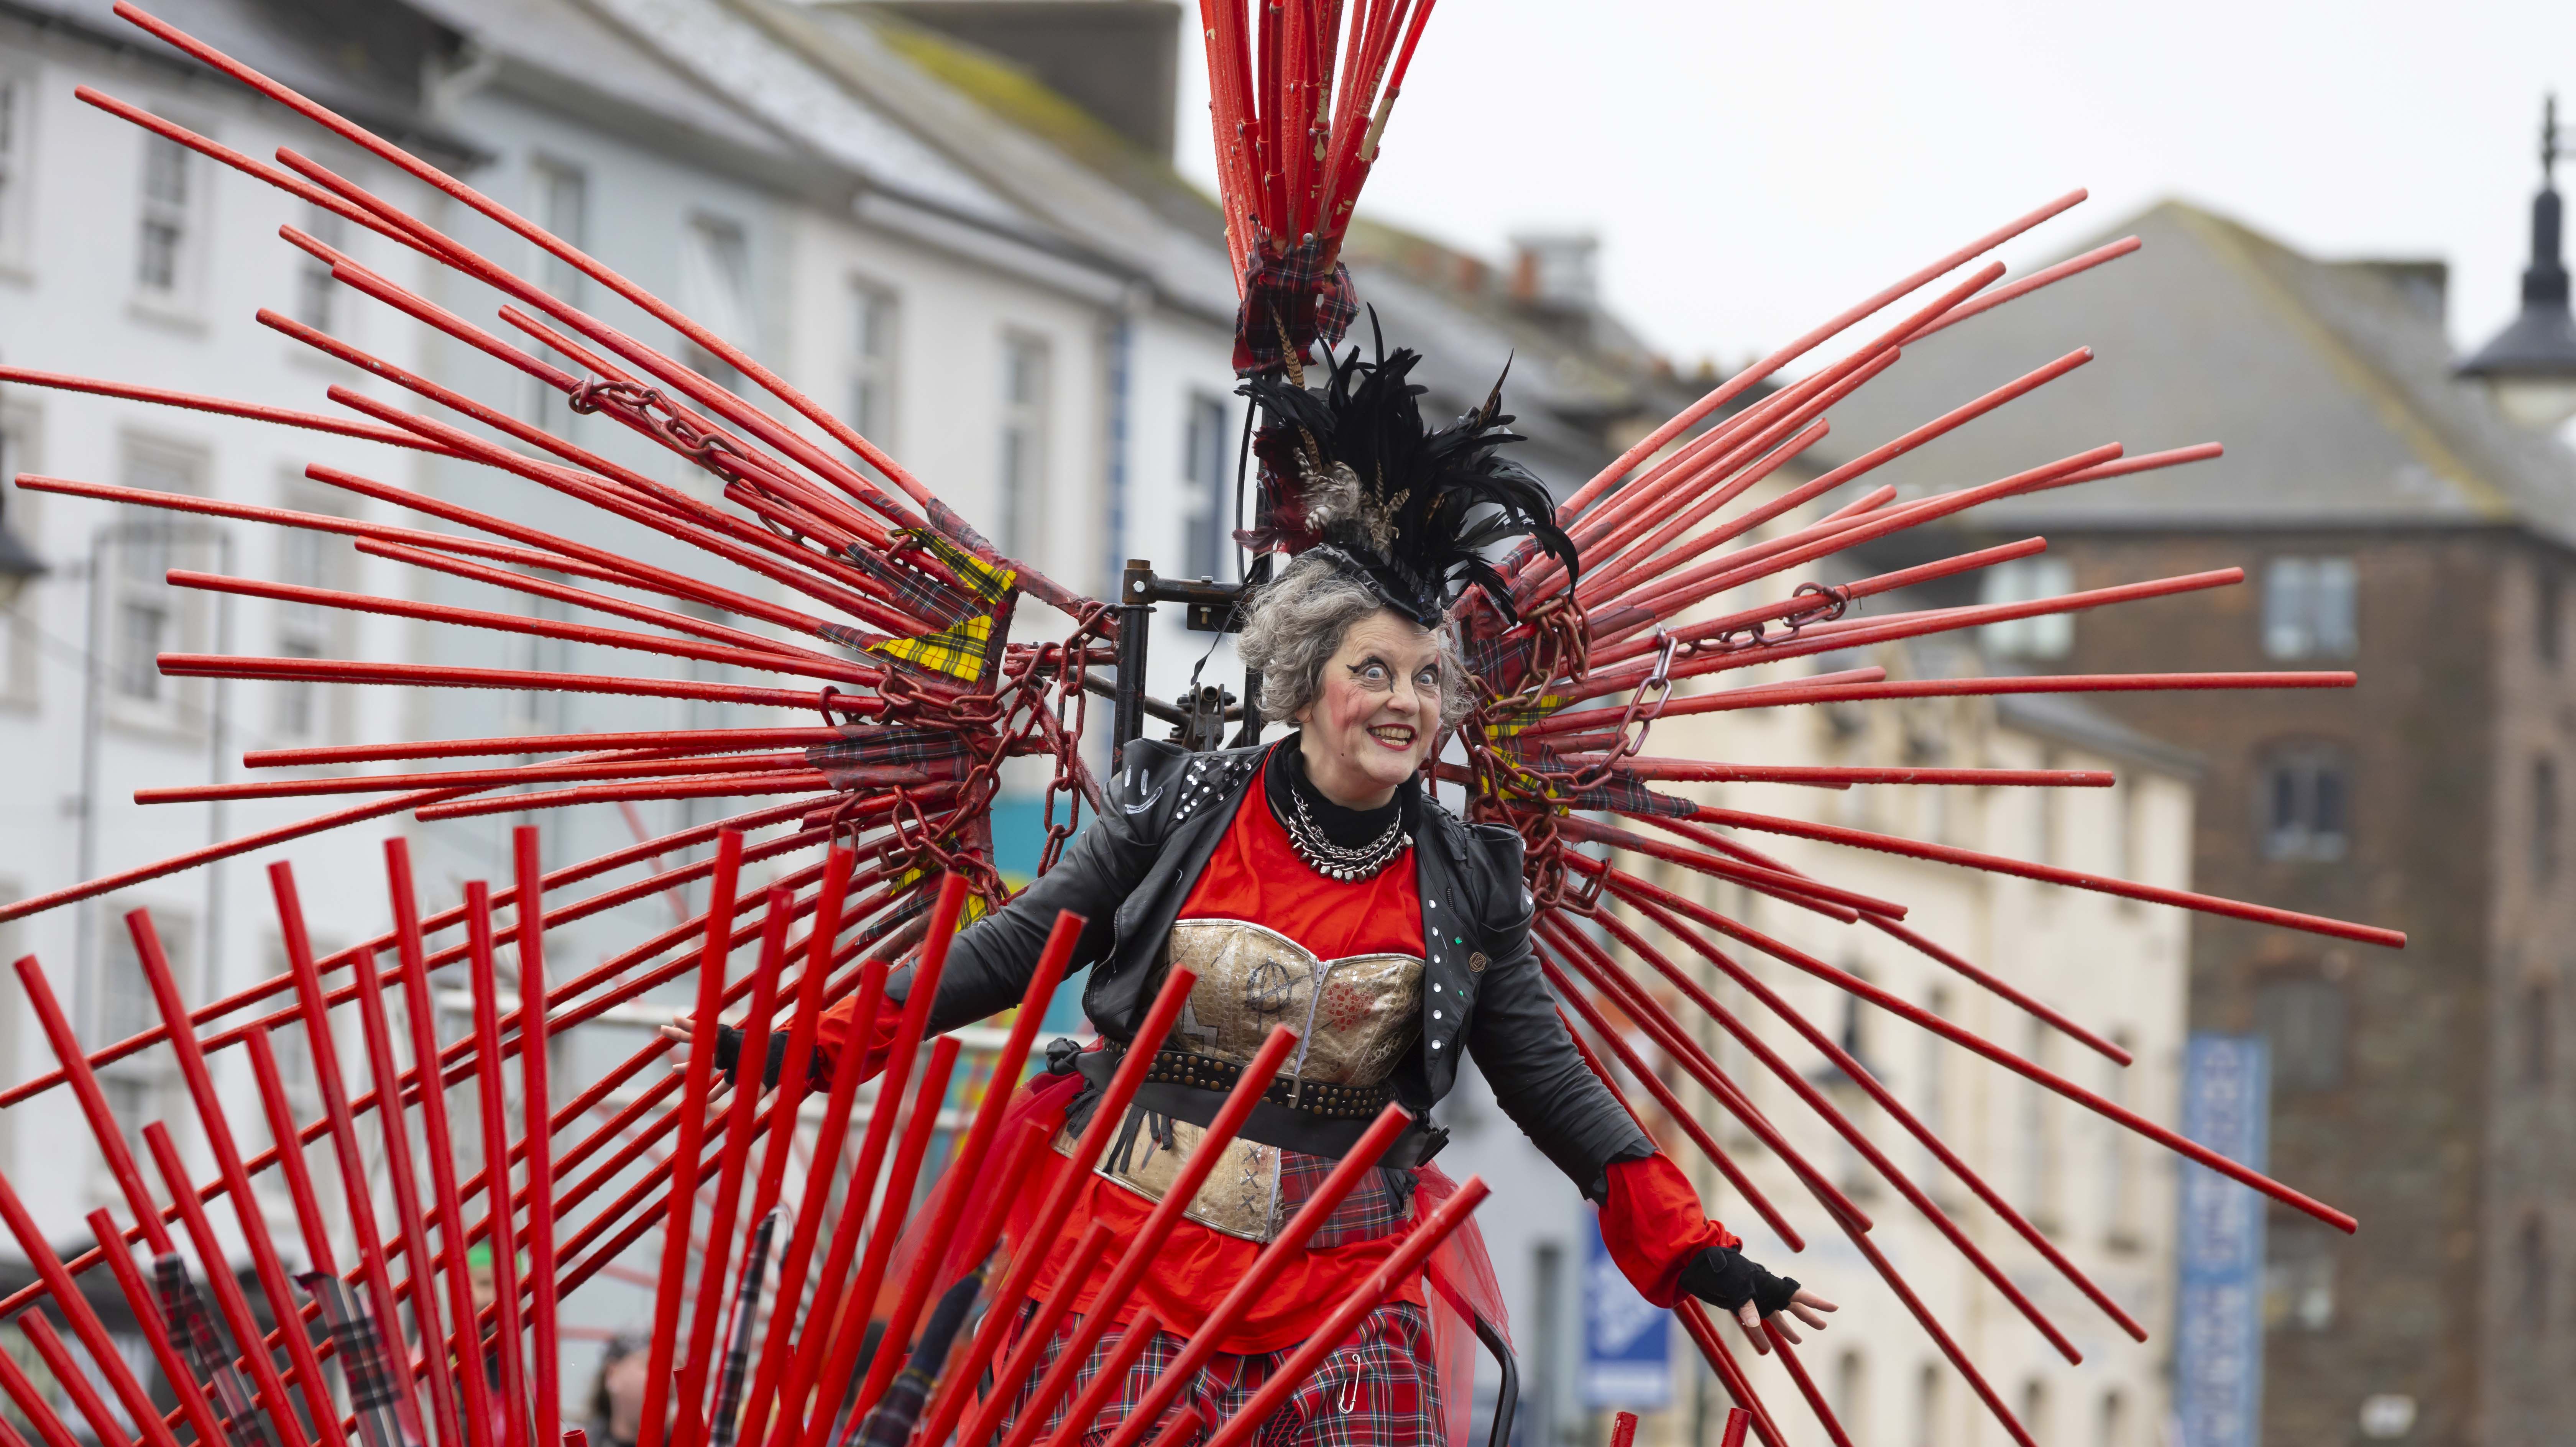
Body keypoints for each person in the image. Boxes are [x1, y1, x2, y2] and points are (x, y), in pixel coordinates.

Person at [690, 339, 1833, 1445]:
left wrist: (1691, 1249)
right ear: (1302, 681)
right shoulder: (1185, 809)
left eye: (1427, 679)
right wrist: (808, 1042)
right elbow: (1015, 949)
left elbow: (1544, 1074)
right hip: (1129, 1241)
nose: (1405, 703)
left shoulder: (1468, 875)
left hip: (1345, 1264)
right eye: (1372, 671)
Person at [585, 1332, 652, 1447]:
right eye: (651, 1364)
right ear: (612, 1374)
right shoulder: (582, 1443)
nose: (671, 1376)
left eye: (680, 1364)